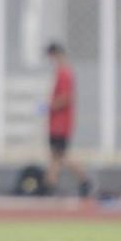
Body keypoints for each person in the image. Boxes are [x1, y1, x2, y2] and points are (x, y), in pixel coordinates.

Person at [42, 42, 91, 197]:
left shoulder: (64, 73)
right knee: (56, 156)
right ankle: (50, 184)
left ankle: (83, 180)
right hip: (58, 123)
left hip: (60, 123)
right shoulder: (63, 72)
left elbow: (65, 98)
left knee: (61, 155)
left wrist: (49, 106)